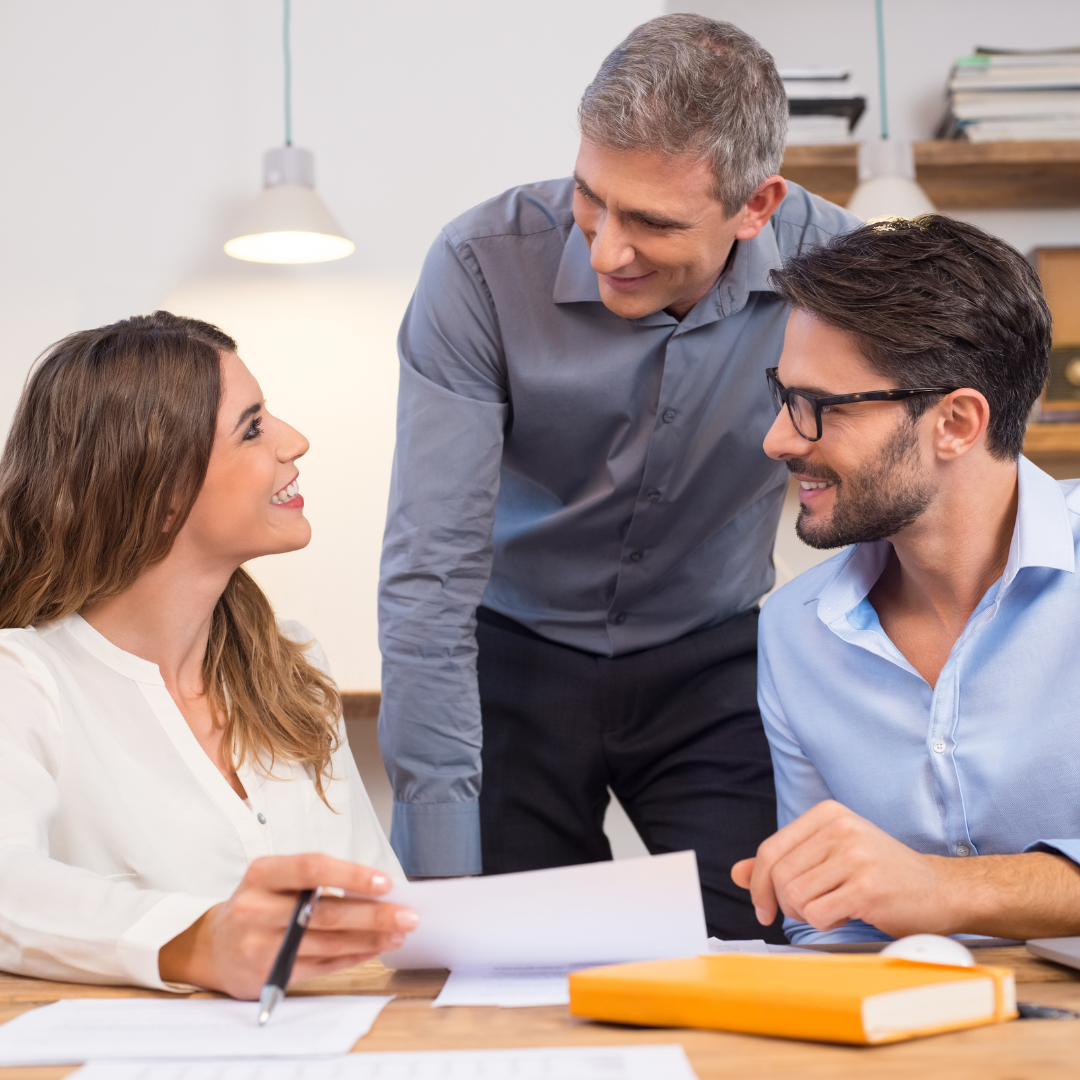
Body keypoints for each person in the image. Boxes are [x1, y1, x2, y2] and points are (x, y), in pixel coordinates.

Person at [378, 12, 856, 940]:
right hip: (509, 656)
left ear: (756, 207)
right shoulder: (477, 267)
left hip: (714, 657)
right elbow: (429, 569)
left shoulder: (838, 271)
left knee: (762, 947)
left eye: (652, 221)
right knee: (504, 962)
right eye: (593, 197)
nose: (604, 250)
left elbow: (890, 512)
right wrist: (441, 874)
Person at [0, 312, 418, 997]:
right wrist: (199, 941)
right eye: (252, 428)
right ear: (160, 490)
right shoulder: (23, 681)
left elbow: (375, 909)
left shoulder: (294, 667)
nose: (295, 442)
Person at [732, 214, 1080, 944]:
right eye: (783, 396)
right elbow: (825, 929)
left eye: (820, 409)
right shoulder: (795, 631)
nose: (778, 439)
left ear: (955, 422)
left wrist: (947, 890)